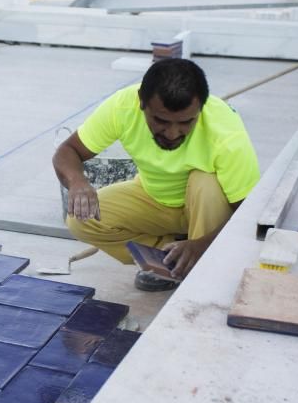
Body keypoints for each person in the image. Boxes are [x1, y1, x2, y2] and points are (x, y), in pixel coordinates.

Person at [52, 58, 259, 291]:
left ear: (201, 108)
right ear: (142, 102)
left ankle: (202, 263)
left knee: (204, 182)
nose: (172, 133)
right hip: (154, 196)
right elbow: (68, 151)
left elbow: (251, 214)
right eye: (160, 121)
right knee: (82, 220)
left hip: (208, 208)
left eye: (185, 123)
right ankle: (171, 260)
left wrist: (202, 244)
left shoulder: (226, 132)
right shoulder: (122, 107)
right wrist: (78, 182)